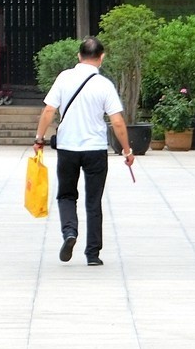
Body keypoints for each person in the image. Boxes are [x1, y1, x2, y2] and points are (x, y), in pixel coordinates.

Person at [33, 36, 135, 266]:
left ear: (79, 56)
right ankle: (93, 254)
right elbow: (117, 122)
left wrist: (39, 138)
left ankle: (70, 232)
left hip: (68, 148)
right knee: (93, 201)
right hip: (96, 150)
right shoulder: (104, 85)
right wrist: (127, 151)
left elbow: (49, 110)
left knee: (67, 195)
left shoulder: (64, 78)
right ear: (101, 58)